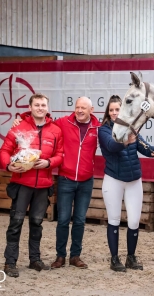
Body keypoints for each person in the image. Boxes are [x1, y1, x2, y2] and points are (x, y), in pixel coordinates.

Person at [98, 95, 154, 272]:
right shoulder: (104, 130)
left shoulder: (133, 129)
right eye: (111, 110)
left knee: (134, 221)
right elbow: (111, 146)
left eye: (117, 109)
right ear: (108, 112)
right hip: (113, 179)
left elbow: (146, 149)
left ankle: (131, 257)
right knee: (114, 220)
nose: (114, 113)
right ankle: (114, 258)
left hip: (134, 180)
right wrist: (126, 141)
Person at [0, 93, 64, 277]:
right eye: (37, 105)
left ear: (47, 107)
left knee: (37, 223)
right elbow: (5, 150)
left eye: (43, 105)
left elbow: (60, 154)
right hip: (21, 183)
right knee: (16, 222)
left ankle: (34, 259)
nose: (40, 108)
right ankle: (10, 262)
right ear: (31, 106)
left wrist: (49, 162)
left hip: (43, 185)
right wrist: (8, 164)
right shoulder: (18, 127)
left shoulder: (56, 130)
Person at [50, 97, 101, 269]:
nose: (79, 111)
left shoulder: (98, 128)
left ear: (91, 110)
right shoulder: (64, 122)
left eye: (83, 108)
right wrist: (23, 118)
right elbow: (43, 121)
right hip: (66, 179)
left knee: (79, 220)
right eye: (77, 107)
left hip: (86, 181)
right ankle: (60, 256)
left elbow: (114, 136)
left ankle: (75, 256)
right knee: (63, 220)